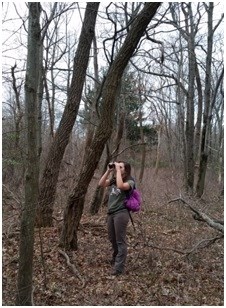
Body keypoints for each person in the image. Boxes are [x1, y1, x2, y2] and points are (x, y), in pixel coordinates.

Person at [98, 161, 135, 276]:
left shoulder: (130, 181)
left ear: (126, 169)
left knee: (120, 240)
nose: (118, 168)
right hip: (111, 213)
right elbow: (101, 184)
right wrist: (109, 170)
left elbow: (120, 186)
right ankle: (115, 258)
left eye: (121, 167)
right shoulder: (114, 179)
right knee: (112, 238)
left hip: (121, 213)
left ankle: (119, 268)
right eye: (118, 166)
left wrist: (118, 171)